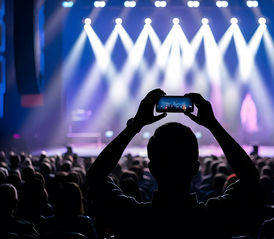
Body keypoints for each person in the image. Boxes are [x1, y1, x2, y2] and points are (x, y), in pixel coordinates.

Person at [87, 89, 263, 239]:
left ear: (152, 170)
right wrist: (212, 124)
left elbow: (95, 177)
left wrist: (136, 125)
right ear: (196, 168)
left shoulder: (133, 218)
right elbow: (251, 178)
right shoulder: (214, 218)